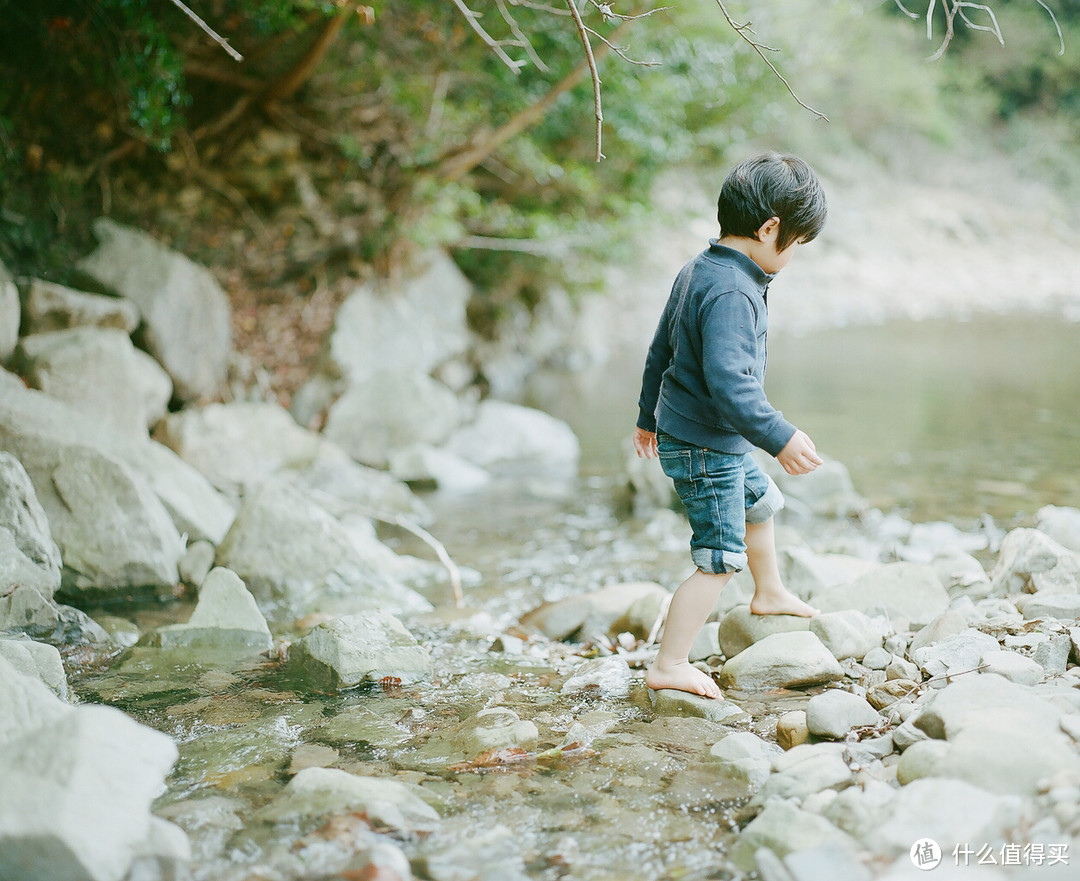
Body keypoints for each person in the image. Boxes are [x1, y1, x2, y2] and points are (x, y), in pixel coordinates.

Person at [633, 152, 828, 699]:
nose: (793, 256)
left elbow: (660, 351)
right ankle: (670, 662)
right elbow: (729, 383)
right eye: (796, 245)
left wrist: (648, 416)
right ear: (770, 229)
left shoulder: (701, 266)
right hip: (704, 445)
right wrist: (781, 436)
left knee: (759, 504)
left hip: (700, 434)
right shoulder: (732, 291)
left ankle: (769, 592)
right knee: (718, 557)